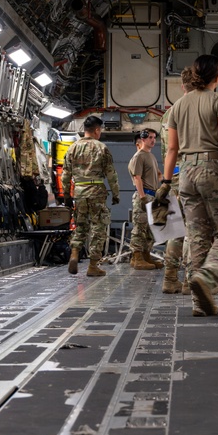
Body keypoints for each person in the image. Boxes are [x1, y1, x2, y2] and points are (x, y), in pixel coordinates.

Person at [160, 54, 218, 316]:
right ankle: (207, 279)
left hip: (186, 172)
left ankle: (200, 302)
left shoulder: (177, 106)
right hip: (213, 169)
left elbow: (172, 150)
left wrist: (166, 182)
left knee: (197, 235)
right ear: (217, 78)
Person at [61, 115, 121, 277]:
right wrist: (116, 194)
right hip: (96, 190)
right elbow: (111, 174)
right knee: (98, 227)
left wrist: (67, 195)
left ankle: (74, 253)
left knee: (80, 225)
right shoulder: (101, 148)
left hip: (79, 190)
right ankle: (93, 265)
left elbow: (65, 175)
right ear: (96, 130)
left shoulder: (72, 148)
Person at [159, 94, 191, 295]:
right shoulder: (199, 109)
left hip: (174, 177)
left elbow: (168, 150)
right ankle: (190, 281)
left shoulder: (167, 115)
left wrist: (166, 181)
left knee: (175, 230)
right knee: (195, 230)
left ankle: (170, 279)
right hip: (194, 174)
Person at [127, 129, 164, 270]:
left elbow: (158, 175)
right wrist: (142, 197)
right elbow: (137, 178)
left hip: (153, 195)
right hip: (144, 195)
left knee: (150, 230)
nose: (153, 140)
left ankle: (146, 255)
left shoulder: (151, 156)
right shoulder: (139, 156)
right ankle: (137, 257)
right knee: (140, 228)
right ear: (142, 139)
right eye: (149, 137)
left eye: (154, 137)